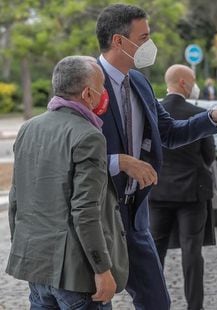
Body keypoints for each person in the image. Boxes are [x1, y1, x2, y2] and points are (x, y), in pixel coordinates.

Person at [95, 4, 217, 309]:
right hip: (98, 214)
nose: (150, 45)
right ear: (119, 41)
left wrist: (214, 117)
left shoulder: (140, 83)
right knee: (93, 299)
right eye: (144, 37)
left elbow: (170, 132)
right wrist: (118, 161)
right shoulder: (86, 81)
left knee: (156, 301)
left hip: (136, 214)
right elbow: (69, 153)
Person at [6, 56, 128, 308]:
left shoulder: (28, 128)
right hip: (77, 276)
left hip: (37, 268)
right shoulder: (89, 136)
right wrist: (103, 269)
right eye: (102, 85)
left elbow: (16, 199)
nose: (105, 92)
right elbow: (85, 211)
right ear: (87, 93)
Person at [148, 64, 215, 310]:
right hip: (192, 193)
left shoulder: (153, 112)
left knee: (154, 253)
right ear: (184, 83)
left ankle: (153, 304)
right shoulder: (198, 114)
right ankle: (194, 306)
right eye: (193, 80)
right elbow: (209, 156)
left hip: (157, 192)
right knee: (192, 252)